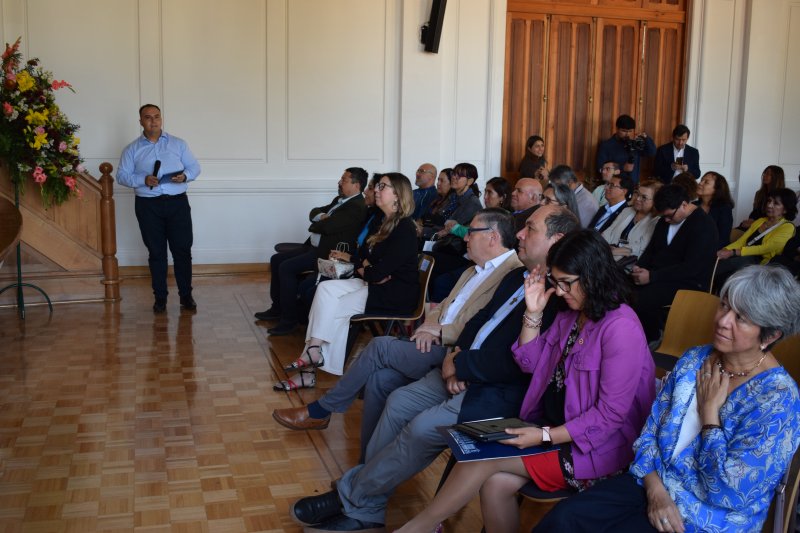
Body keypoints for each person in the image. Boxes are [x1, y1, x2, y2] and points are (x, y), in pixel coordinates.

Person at [286, 206, 581, 533]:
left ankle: (354, 495)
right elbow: (477, 322)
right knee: (398, 402)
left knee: (421, 428)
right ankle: (366, 502)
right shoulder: (517, 276)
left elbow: (521, 364)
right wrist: (455, 356)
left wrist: (462, 365)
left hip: (494, 393)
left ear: (557, 239)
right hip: (463, 367)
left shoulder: (561, 296)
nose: (520, 234)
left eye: (530, 228)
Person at [396, 230, 655, 533]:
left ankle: (416, 529)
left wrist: (544, 436)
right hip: (554, 429)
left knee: (480, 460)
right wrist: (533, 313)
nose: (560, 291)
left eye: (566, 283)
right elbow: (529, 362)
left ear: (593, 275)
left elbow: (609, 417)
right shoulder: (572, 315)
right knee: (495, 484)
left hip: (597, 450)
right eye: (556, 282)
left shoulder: (620, 327)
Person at [535, 264, 800, 533]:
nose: (723, 320)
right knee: (564, 518)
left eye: (740, 318)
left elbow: (729, 493)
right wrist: (656, 490)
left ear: (770, 335)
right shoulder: (695, 359)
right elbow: (648, 433)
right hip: (652, 482)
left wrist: (710, 417)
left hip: (705, 516)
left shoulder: (778, 400)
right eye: (724, 306)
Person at [272, 208, 523, 458]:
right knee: (379, 380)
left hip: (452, 349)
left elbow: (481, 325)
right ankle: (367, 463)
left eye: (471, 232)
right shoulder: (474, 269)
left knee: (380, 346)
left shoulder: (510, 274)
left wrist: (439, 333)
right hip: (431, 338)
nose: (465, 237)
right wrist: (427, 326)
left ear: (492, 237)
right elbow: (443, 306)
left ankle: (322, 409)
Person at [273, 173, 418, 391]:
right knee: (324, 290)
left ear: (398, 195)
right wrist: (367, 266)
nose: (376, 190)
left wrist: (369, 268)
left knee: (332, 309)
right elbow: (362, 259)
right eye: (377, 186)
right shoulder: (381, 221)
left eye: (383, 186)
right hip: (373, 284)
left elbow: (374, 272)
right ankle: (314, 351)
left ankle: (308, 370)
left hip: (394, 294)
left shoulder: (404, 228)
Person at [255, 168, 368, 334]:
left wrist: (317, 223)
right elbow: (314, 211)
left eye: (344, 180)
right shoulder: (340, 200)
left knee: (286, 267)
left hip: (327, 254)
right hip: (313, 248)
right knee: (276, 259)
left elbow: (327, 227)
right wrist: (321, 217)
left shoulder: (356, 206)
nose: (339, 182)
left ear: (356, 185)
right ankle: (277, 308)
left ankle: (289, 320)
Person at [117, 104, 202, 313]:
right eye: (148, 117)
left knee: (182, 251)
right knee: (156, 253)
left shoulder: (178, 144)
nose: (153, 121)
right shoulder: (131, 149)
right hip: (148, 206)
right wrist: (143, 179)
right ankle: (160, 298)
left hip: (177, 204)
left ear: (161, 119)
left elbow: (194, 167)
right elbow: (121, 176)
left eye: (156, 116)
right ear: (141, 122)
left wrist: (185, 176)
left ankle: (186, 296)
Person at [631, 184, 718, 342]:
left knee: (643, 298)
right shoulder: (664, 221)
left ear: (684, 204)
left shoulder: (704, 225)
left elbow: (692, 268)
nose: (666, 220)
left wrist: (652, 276)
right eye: (663, 216)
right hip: (660, 275)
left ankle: (651, 338)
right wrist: (640, 266)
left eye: (669, 216)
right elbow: (651, 249)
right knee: (622, 288)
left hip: (689, 282)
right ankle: (628, 333)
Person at [714, 188, 797, 290]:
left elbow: (764, 248)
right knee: (716, 262)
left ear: (785, 209)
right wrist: (726, 249)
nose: (769, 205)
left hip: (761, 265)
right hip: (744, 256)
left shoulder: (787, 227)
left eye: (776, 203)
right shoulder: (761, 221)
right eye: (769, 201)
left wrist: (733, 252)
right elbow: (742, 241)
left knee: (722, 268)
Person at [602, 179, 662, 259]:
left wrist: (612, 251)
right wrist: (601, 246)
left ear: (655, 201)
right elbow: (608, 232)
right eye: (637, 194)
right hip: (606, 253)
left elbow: (641, 248)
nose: (638, 199)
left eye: (644, 197)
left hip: (628, 262)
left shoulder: (656, 221)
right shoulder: (627, 211)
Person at [596, 114, 656, 185]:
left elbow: (652, 152)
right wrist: (622, 168)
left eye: (630, 131)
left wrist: (646, 138)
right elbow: (600, 168)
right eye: (624, 131)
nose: (627, 134)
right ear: (617, 128)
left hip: (633, 185)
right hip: (615, 185)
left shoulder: (635, 144)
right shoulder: (606, 145)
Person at [694, 171, 734, 249]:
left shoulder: (724, 209)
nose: (700, 183)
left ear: (716, 189)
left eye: (706, 182)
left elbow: (723, 239)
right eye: (701, 180)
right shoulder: (693, 205)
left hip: (714, 250)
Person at [737, 165, 786, 230]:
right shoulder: (759, 193)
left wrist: (754, 223)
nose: (764, 175)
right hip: (755, 223)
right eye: (764, 173)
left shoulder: (782, 196)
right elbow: (755, 211)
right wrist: (751, 219)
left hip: (768, 227)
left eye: (768, 174)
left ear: (776, 177)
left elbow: (776, 218)